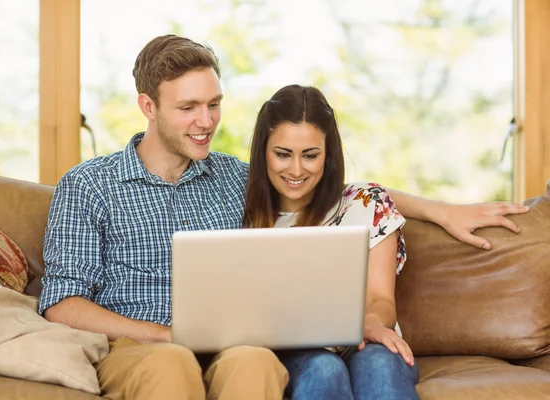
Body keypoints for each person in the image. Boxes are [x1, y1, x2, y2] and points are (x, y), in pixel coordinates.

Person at [39, 34, 529, 400]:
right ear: (148, 106)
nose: (206, 121)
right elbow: (61, 303)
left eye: (214, 105)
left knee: (255, 363)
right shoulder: (87, 186)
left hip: (232, 344)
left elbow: (334, 187)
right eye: (188, 107)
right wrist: (166, 335)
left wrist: (440, 210)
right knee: (172, 366)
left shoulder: (233, 177)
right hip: (143, 343)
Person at [244, 84, 418, 399]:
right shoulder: (245, 216)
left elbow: (381, 299)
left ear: (328, 153)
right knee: (324, 368)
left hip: (368, 342)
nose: (296, 169)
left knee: (380, 364)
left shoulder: (367, 203)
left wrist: (371, 323)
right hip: (296, 352)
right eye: (283, 154)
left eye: (310, 155)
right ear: (263, 152)